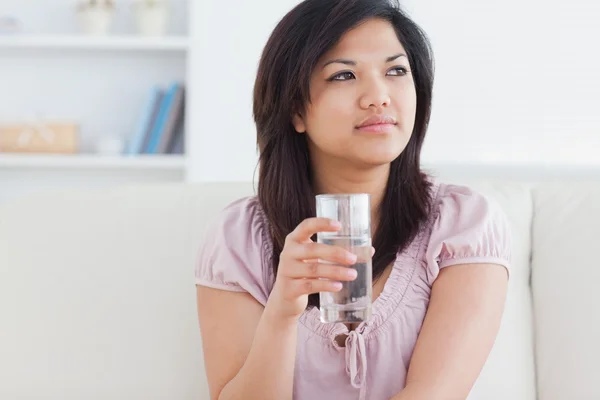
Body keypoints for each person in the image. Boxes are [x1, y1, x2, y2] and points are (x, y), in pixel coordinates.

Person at [195, 0, 511, 399]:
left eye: (396, 70)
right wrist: (282, 310)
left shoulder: (465, 225)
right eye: (344, 75)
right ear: (296, 109)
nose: (379, 97)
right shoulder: (237, 237)